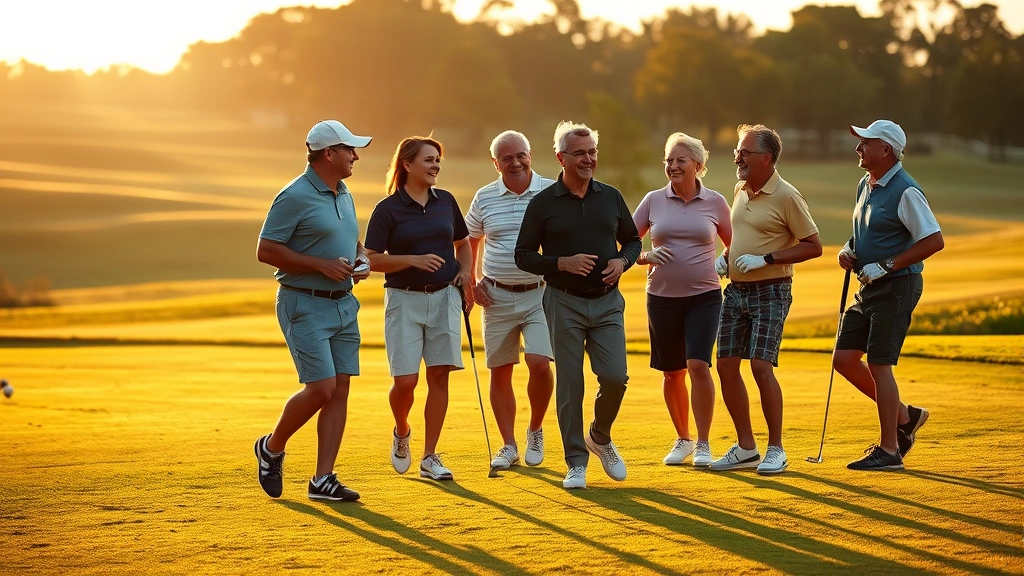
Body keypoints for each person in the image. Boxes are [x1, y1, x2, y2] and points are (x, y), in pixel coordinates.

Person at [515, 121, 642, 490]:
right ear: (561, 157)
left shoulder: (611, 196)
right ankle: (575, 461)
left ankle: (599, 437)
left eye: (592, 152)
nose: (588, 159)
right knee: (570, 385)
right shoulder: (542, 203)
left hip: (607, 304)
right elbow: (523, 255)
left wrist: (622, 262)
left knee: (616, 378)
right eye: (580, 153)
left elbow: (632, 240)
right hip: (563, 303)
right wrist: (560, 263)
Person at [253, 119, 373, 502]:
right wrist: (319, 265)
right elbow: (266, 250)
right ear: (328, 154)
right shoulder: (294, 195)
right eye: (349, 150)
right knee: (320, 388)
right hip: (303, 302)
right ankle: (271, 447)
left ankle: (323, 479)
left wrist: (361, 258)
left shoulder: (344, 192)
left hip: (343, 305)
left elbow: (350, 239)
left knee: (339, 389)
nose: (355, 156)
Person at [710, 124, 822, 476]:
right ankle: (746, 447)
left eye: (745, 152)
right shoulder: (741, 188)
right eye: (737, 151)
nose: (737, 157)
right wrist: (726, 257)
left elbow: (813, 245)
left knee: (760, 366)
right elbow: (744, 235)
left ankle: (777, 448)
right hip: (737, 291)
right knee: (726, 365)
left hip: (771, 290)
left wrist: (767, 259)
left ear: (767, 158)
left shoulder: (787, 195)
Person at [364, 135, 473, 482]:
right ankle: (401, 430)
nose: (435, 166)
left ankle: (429, 456)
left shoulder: (446, 202)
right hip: (403, 300)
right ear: (407, 164)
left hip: (444, 298)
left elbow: (463, 243)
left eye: (438, 160)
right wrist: (411, 259)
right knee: (406, 382)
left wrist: (466, 272)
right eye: (428, 160)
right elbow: (370, 260)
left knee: (439, 376)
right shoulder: (387, 210)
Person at [836, 120, 943, 471]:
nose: (858, 148)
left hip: (897, 286)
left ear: (886, 150)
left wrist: (887, 265)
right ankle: (905, 417)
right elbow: (863, 233)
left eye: (865, 142)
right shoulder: (864, 185)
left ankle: (890, 449)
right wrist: (849, 250)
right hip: (868, 286)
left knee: (881, 364)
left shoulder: (906, 190)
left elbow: (933, 240)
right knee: (844, 358)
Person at [632, 132, 732, 468]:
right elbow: (627, 247)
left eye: (680, 160)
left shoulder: (716, 202)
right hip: (661, 298)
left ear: (698, 166)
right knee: (672, 372)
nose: (673, 166)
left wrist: (727, 261)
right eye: (669, 161)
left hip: (704, 297)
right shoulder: (652, 200)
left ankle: (703, 443)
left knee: (698, 365)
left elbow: (734, 245)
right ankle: (684, 438)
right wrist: (646, 257)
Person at [465, 130, 555, 470]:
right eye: (507, 158)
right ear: (495, 163)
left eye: (521, 155)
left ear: (530, 154)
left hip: (540, 294)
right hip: (495, 296)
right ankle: (508, 445)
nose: (515, 162)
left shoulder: (550, 191)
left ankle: (535, 429)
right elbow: (470, 239)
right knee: (499, 371)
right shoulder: (485, 197)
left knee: (539, 363)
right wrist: (472, 280)